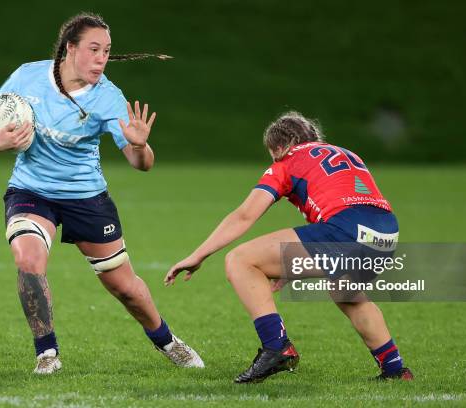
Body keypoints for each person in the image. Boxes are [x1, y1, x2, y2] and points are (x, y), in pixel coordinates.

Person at [0, 12, 203, 374]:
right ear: (70, 48)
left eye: (107, 51)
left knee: (124, 287)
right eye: (94, 49)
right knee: (28, 260)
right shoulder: (27, 75)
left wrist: (140, 145)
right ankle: (46, 353)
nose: (102, 59)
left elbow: (140, 163)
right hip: (31, 190)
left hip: (86, 198)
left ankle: (167, 340)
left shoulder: (108, 98)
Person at [165, 111, 413, 383]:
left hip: (346, 230)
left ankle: (276, 346)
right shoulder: (345, 153)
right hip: (385, 235)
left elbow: (244, 215)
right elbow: (335, 202)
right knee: (347, 294)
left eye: (272, 156)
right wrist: (291, 263)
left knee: (241, 260)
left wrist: (198, 255)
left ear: (280, 147)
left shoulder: (288, 160)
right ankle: (394, 370)